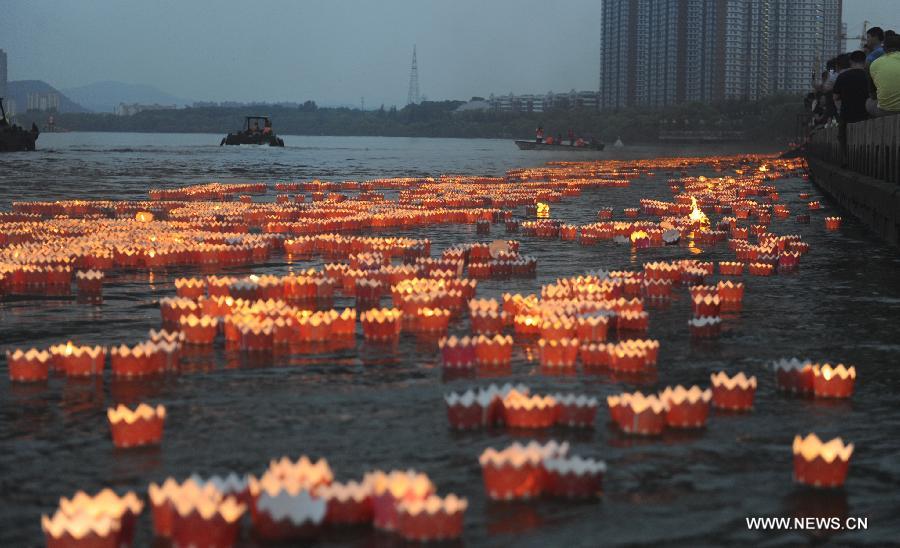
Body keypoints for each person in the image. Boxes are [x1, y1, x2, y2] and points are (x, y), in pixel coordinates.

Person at [833, 51, 870, 166]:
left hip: (847, 114)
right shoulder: (868, 75)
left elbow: (835, 97)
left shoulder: (842, 76)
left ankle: (845, 159)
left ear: (850, 62)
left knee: (842, 136)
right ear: (865, 62)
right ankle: (866, 159)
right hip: (865, 113)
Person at [868, 34, 900, 117]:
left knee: (868, 102)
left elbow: (872, 95)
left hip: (886, 111)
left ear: (884, 48)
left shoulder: (875, 64)